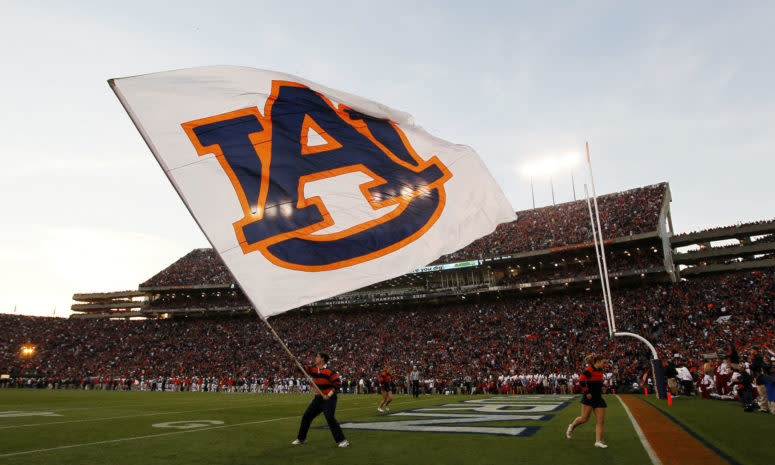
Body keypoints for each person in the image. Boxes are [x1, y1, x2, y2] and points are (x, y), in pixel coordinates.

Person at [291, 352, 349, 448]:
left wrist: (329, 395)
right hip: (318, 398)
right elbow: (302, 369)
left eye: (317, 357)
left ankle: (343, 440)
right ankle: (301, 438)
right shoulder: (313, 369)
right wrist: (295, 361)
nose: (315, 358)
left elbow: (337, 384)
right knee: (306, 416)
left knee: (330, 418)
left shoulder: (330, 372)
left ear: (322, 359)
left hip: (329, 399)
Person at [566, 354, 609, 449]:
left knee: (601, 420)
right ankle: (571, 427)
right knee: (584, 418)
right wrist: (586, 392)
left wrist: (603, 387)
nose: (605, 364)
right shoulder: (590, 369)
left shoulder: (600, 370)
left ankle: (598, 441)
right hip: (589, 398)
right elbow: (581, 380)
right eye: (603, 362)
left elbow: (598, 382)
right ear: (598, 361)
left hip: (598, 398)